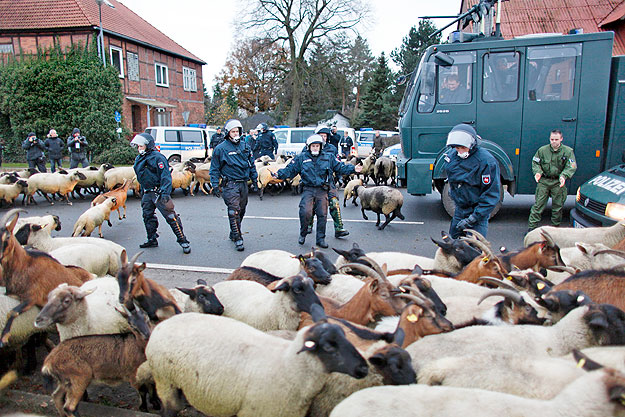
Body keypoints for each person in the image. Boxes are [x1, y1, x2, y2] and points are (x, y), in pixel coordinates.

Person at [274, 134, 361, 248]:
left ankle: (320, 239)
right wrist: (278, 174)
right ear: (309, 146)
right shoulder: (301, 157)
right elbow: (290, 170)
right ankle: (303, 233)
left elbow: (340, 167)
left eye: (317, 146)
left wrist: (353, 168)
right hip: (308, 189)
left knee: (322, 215)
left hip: (322, 190)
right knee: (305, 212)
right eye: (313, 146)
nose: (315, 148)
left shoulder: (329, 157)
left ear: (321, 146)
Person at [131, 132, 191, 254]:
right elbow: (141, 176)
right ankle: (152, 238)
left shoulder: (158, 157)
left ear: (148, 145)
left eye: (141, 146)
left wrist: (165, 193)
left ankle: (183, 240)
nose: (139, 148)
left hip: (159, 192)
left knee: (171, 216)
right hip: (147, 192)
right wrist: (143, 191)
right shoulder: (139, 159)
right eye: (138, 146)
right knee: (147, 216)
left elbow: (165, 176)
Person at [444, 123, 501, 239]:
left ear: (472, 145)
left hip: (477, 213)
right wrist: (454, 193)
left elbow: (491, 194)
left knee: (475, 249)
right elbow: (452, 178)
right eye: (457, 148)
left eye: (463, 148)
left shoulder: (486, 162)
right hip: (460, 210)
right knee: (452, 245)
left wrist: (473, 218)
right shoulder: (452, 157)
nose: (460, 151)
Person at [210, 119, 258, 252]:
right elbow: (214, 168)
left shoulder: (245, 146)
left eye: (237, 131)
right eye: (233, 131)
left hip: (243, 183)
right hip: (230, 184)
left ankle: (234, 230)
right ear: (228, 133)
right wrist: (215, 185)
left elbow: (251, 164)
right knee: (234, 211)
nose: (236, 134)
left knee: (242, 210)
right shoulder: (221, 149)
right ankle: (238, 237)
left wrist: (255, 181)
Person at [528, 129, 577, 231]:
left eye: (556, 139)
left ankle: (555, 229)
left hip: (558, 182)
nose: (554, 141)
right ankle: (531, 229)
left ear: (561, 139)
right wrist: (537, 172)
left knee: (557, 208)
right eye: (552, 139)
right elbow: (535, 162)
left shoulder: (568, 151)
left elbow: (571, 166)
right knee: (538, 206)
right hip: (544, 181)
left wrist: (564, 176)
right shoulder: (542, 150)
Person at [313, 127, 350, 238]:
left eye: (325, 136)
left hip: (329, 181)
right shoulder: (309, 148)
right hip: (314, 183)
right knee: (313, 204)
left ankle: (339, 228)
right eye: (321, 135)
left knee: (334, 203)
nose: (323, 138)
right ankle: (308, 225)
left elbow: (337, 164)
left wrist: (339, 177)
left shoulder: (332, 149)